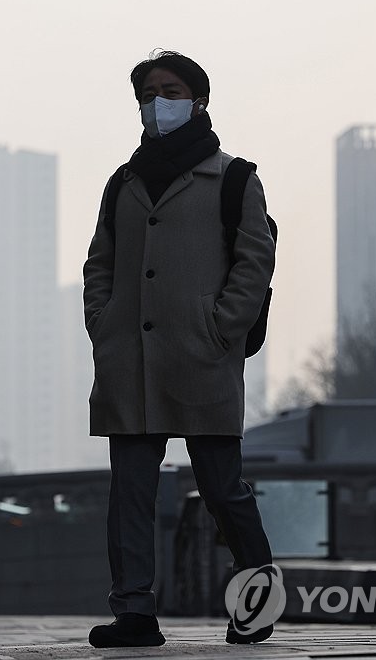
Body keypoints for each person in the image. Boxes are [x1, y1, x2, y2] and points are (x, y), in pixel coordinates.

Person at [83, 50, 277, 647]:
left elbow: (254, 260)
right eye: (145, 94)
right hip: (131, 362)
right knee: (131, 493)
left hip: (203, 356)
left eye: (167, 91)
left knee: (222, 489)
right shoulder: (124, 182)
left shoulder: (235, 177)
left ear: (198, 100)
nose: (155, 103)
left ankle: (257, 600)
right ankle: (134, 612)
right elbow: (100, 262)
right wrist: (104, 322)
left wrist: (222, 329)